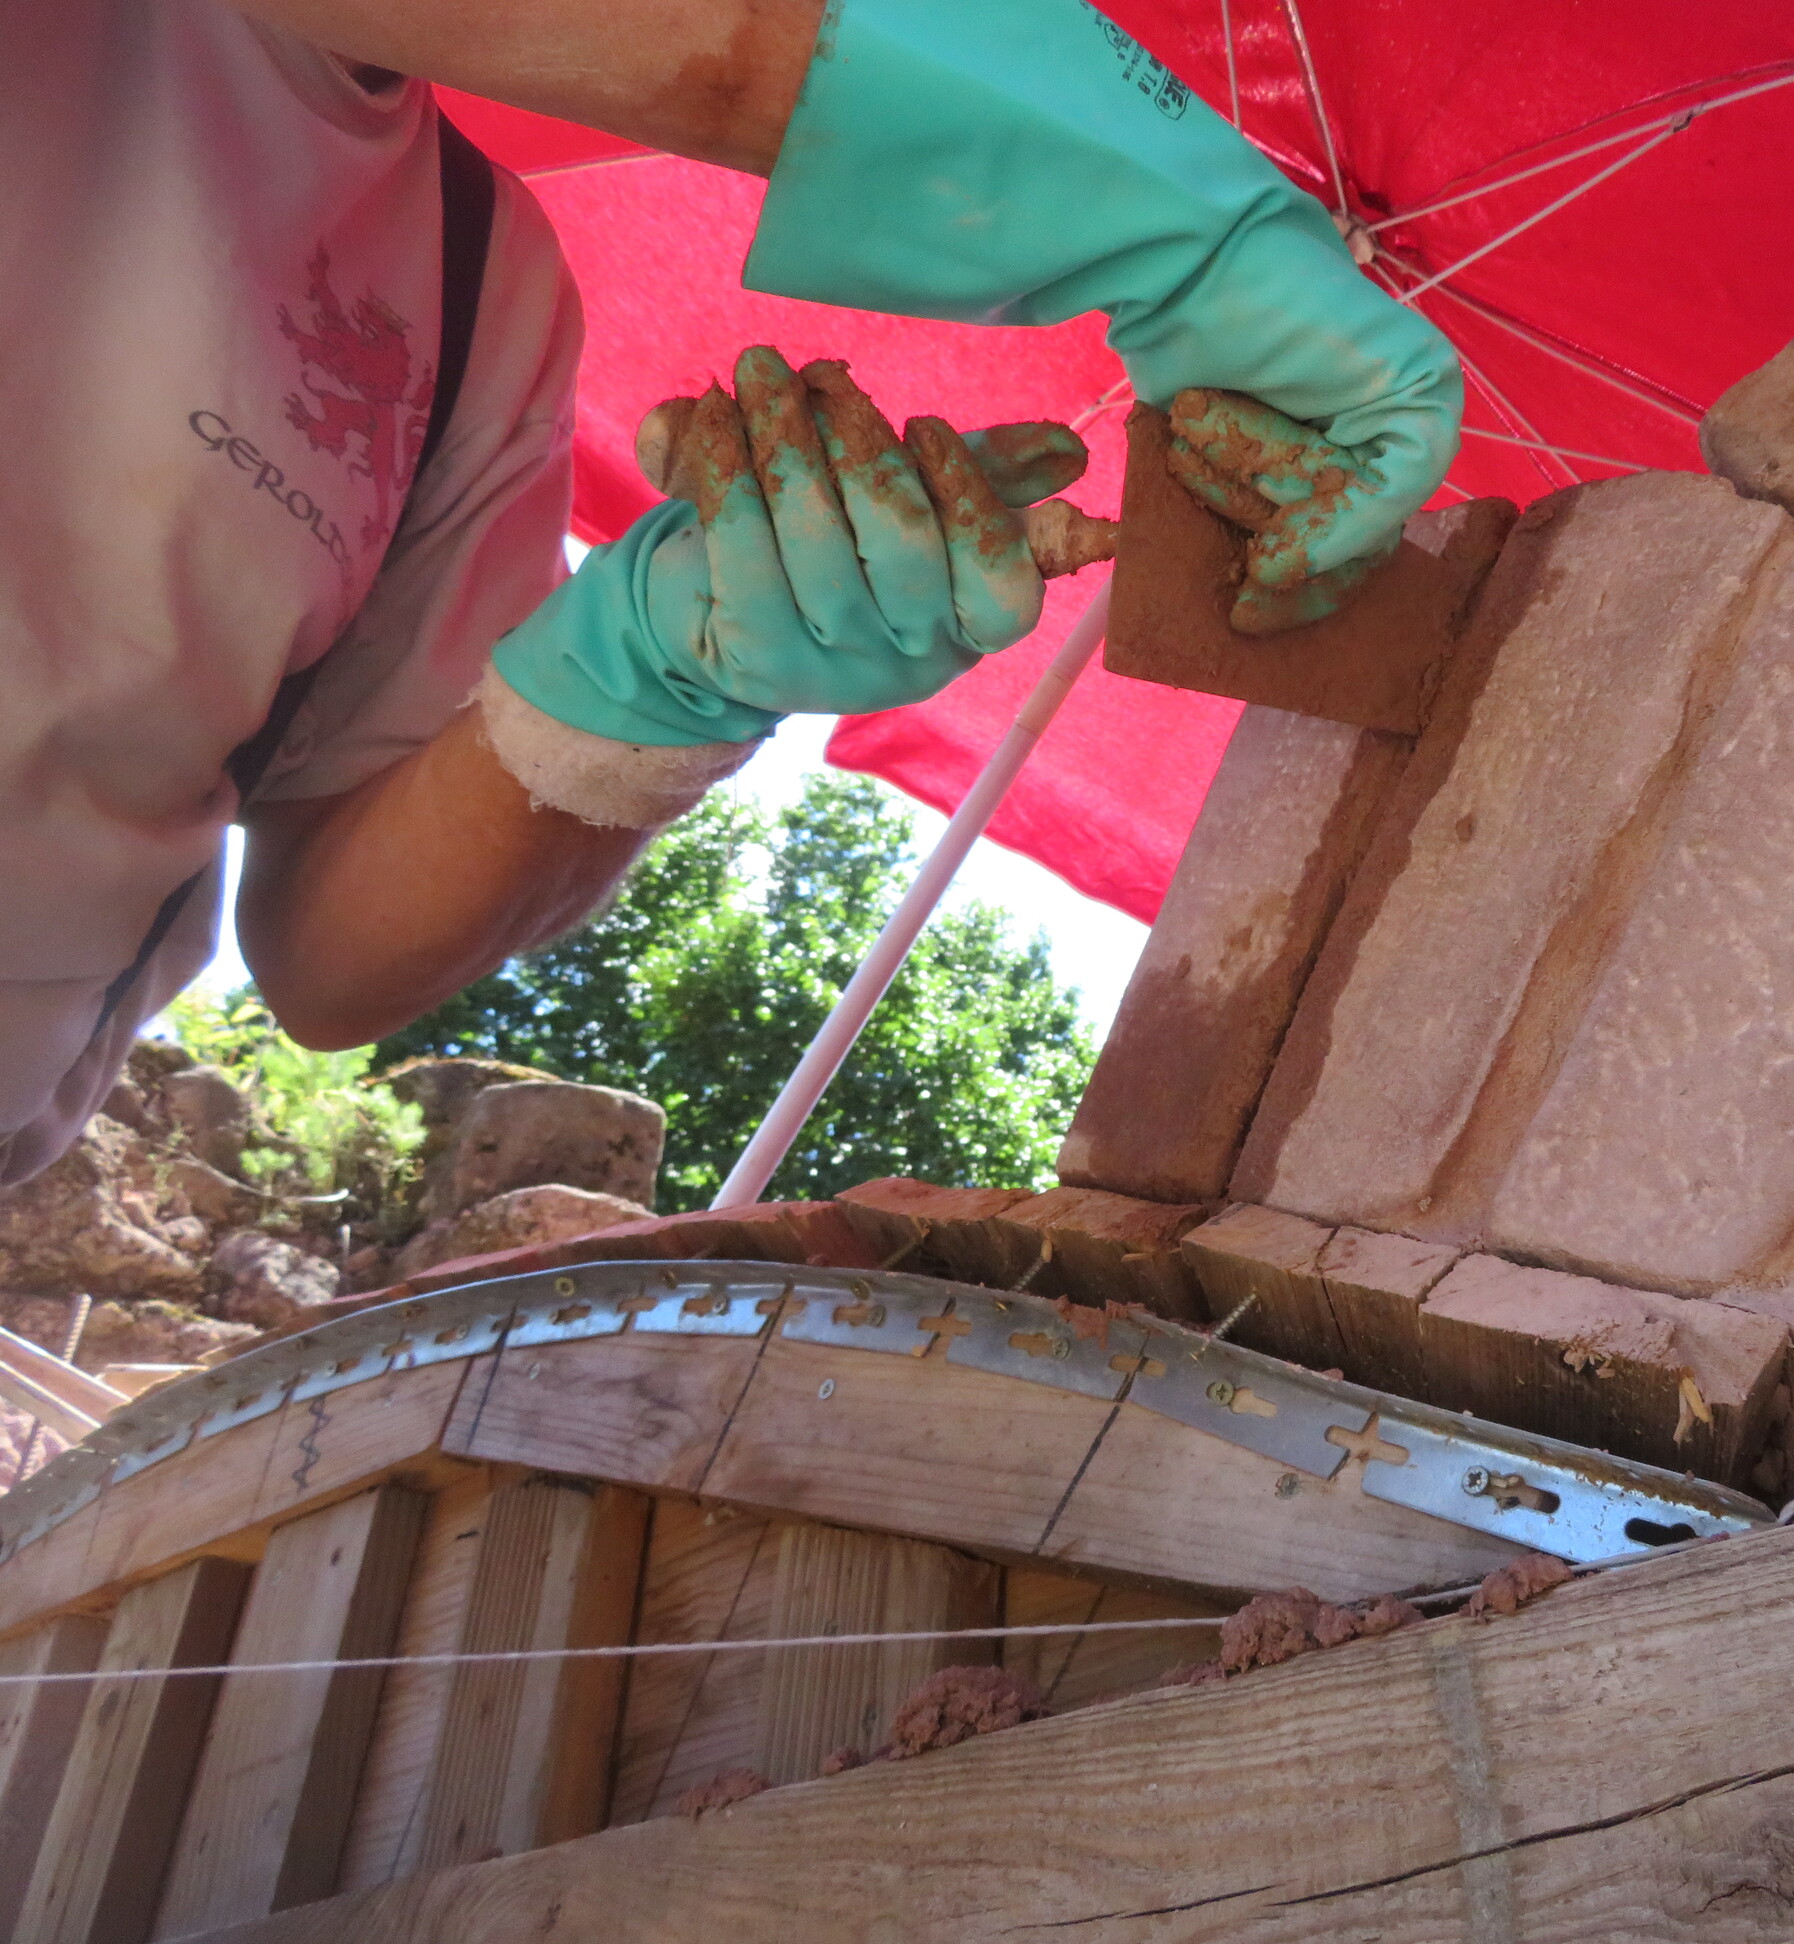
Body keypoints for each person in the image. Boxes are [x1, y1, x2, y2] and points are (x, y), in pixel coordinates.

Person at [0, 0, 1461, 1187]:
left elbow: (328, 965)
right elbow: (724, 46)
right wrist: (1156, 213)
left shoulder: (478, 285)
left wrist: (649, 674)